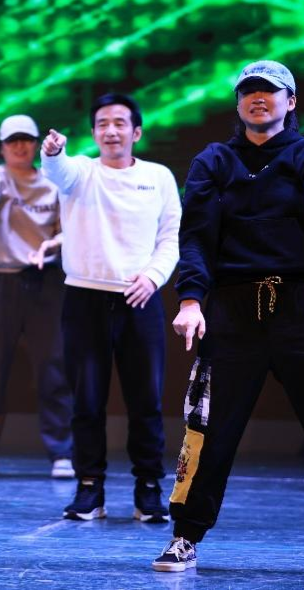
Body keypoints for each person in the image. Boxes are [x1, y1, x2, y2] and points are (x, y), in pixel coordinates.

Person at [157, 61, 304, 580]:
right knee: (208, 428)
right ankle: (184, 535)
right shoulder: (213, 161)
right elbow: (196, 236)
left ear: (291, 101)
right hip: (232, 309)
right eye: (249, 91)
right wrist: (191, 299)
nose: (258, 98)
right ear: (238, 102)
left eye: (270, 90)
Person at [40, 93, 180, 523]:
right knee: (86, 400)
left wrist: (153, 277)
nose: (111, 130)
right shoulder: (81, 171)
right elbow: (57, 171)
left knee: (146, 401)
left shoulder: (158, 176)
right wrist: (53, 152)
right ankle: (89, 487)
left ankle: (149, 488)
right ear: (93, 133)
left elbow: (171, 236)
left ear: (136, 132)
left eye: (120, 123)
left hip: (141, 299)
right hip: (85, 299)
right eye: (102, 124)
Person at [0, 114, 73, 478]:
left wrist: (54, 244)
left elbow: (69, 228)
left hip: (44, 282)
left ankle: (62, 452)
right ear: (2, 147)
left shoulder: (52, 182)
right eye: (13, 141)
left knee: (53, 368)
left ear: (36, 144)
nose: (20, 146)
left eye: (26, 140)